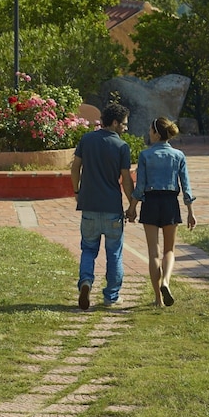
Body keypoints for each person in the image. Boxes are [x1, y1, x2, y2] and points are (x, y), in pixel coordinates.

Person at [71, 101, 135, 310]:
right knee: (114, 253)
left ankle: (86, 281)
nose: (126, 128)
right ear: (115, 123)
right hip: (112, 208)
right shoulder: (122, 147)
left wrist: (77, 191)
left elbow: (75, 167)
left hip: (88, 206)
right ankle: (111, 296)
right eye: (124, 123)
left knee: (88, 249)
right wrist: (132, 205)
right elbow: (126, 180)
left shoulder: (87, 139)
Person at [127, 116, 196, 308]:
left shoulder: (145, 155)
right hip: (170, 203)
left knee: (153, 252)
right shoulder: (178, 155)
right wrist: (190, 211)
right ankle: (166, 280)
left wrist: (132, 208)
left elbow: (140, 186)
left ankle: (158, 299)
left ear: (156, 133)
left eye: (151, 130)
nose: (149, 133)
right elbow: (186, 185)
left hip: (150, 202)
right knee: (169, 250)